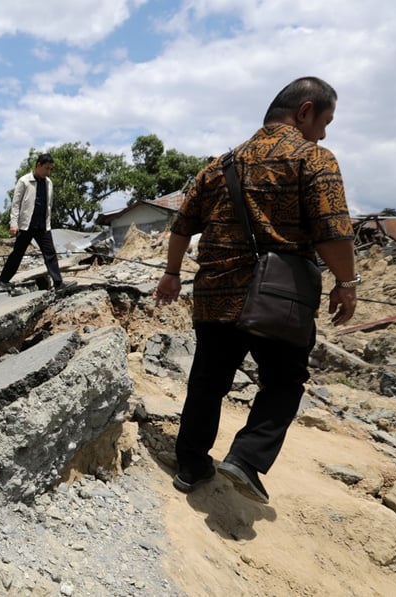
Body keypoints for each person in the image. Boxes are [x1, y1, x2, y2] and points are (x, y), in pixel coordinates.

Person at [154, 76, 358, 505]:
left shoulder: (218, 166)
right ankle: (246, 459)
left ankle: (191, 467)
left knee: (207, 383)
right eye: (325, 121)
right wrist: (346, 283)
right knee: (284, 381)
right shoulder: (314, 159)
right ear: (304, 111)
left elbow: (181, 227)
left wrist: (172, 273)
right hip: (280, 300)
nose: (324, 132)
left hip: (215, 294)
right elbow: (333, 233)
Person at [0, 153, 74, 293]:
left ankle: (58, 284)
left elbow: (48, 205)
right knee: (18, 253)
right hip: (27, 224)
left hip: (43, 225)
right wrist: (14, 223)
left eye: (50, 169)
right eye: (46, 168)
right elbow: (15, 205)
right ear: (38, 165)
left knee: (50, 253)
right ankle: (3, 281)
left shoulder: (49, 183)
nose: (48, 172)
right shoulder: (24, 181)